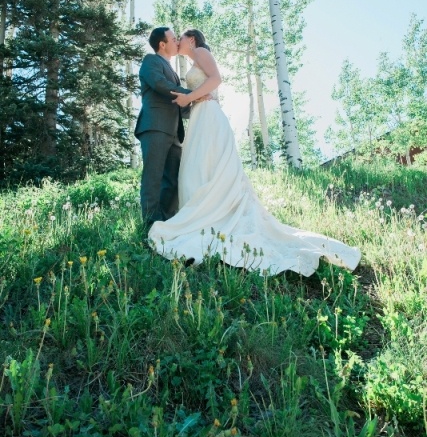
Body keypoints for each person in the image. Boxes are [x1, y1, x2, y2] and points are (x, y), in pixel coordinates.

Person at [148, 29, 361, 277]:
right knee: (196, 168)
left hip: (209, 116)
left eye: (180, 37)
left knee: (211, 165)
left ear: (192, 39)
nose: (177, 41)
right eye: (174, 39)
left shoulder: (201, 51)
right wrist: (191, 99)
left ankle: (215, 215)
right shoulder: (192, 62)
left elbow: (216, 79)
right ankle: (201, 215)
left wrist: (190, 97)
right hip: (198, 118)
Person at [134, 27, 192, 231]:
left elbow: (178, 103)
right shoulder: (151, 61)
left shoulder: (173, 71)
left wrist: (200, 108)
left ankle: (166, 224)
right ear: (162, 44)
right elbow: (161, 84)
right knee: (153, 178)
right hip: (155, 127)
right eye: (174, 38)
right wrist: (192, 94)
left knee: (173, 180)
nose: (177, 42)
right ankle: (150, 227)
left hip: (175, 133)